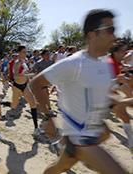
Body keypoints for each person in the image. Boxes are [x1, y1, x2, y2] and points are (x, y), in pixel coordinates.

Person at [31, 9, 127, 174]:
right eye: (110, 30)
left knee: (60, 167)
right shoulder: (75, 63)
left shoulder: (105, 64)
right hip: (80, 138)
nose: (114, 36)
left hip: (94, 133)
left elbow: (102, 95)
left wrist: (114, 101)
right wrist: (48, 117)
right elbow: (36, 83)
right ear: (92, 35)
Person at [1, 45, 42, 137]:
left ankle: (36, 128)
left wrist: (31, 74)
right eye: (23, 52)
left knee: (33, 104)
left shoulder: (24, 61)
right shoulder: (17, 63)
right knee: (13, 105)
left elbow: (24, 73)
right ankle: (0, 102)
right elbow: (16, 76)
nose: (25, 53)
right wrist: (29, 75)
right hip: (17, 87)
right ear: (19, 53)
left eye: (26, 52)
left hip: (25, 85)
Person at [107, 39, 133, 149]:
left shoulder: (117, 62)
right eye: (123, 51)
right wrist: (118, 81)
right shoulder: (109, 63)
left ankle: (131, 142)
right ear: (116, 52)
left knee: (124, 115)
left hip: (110, 94)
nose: (126, 53)